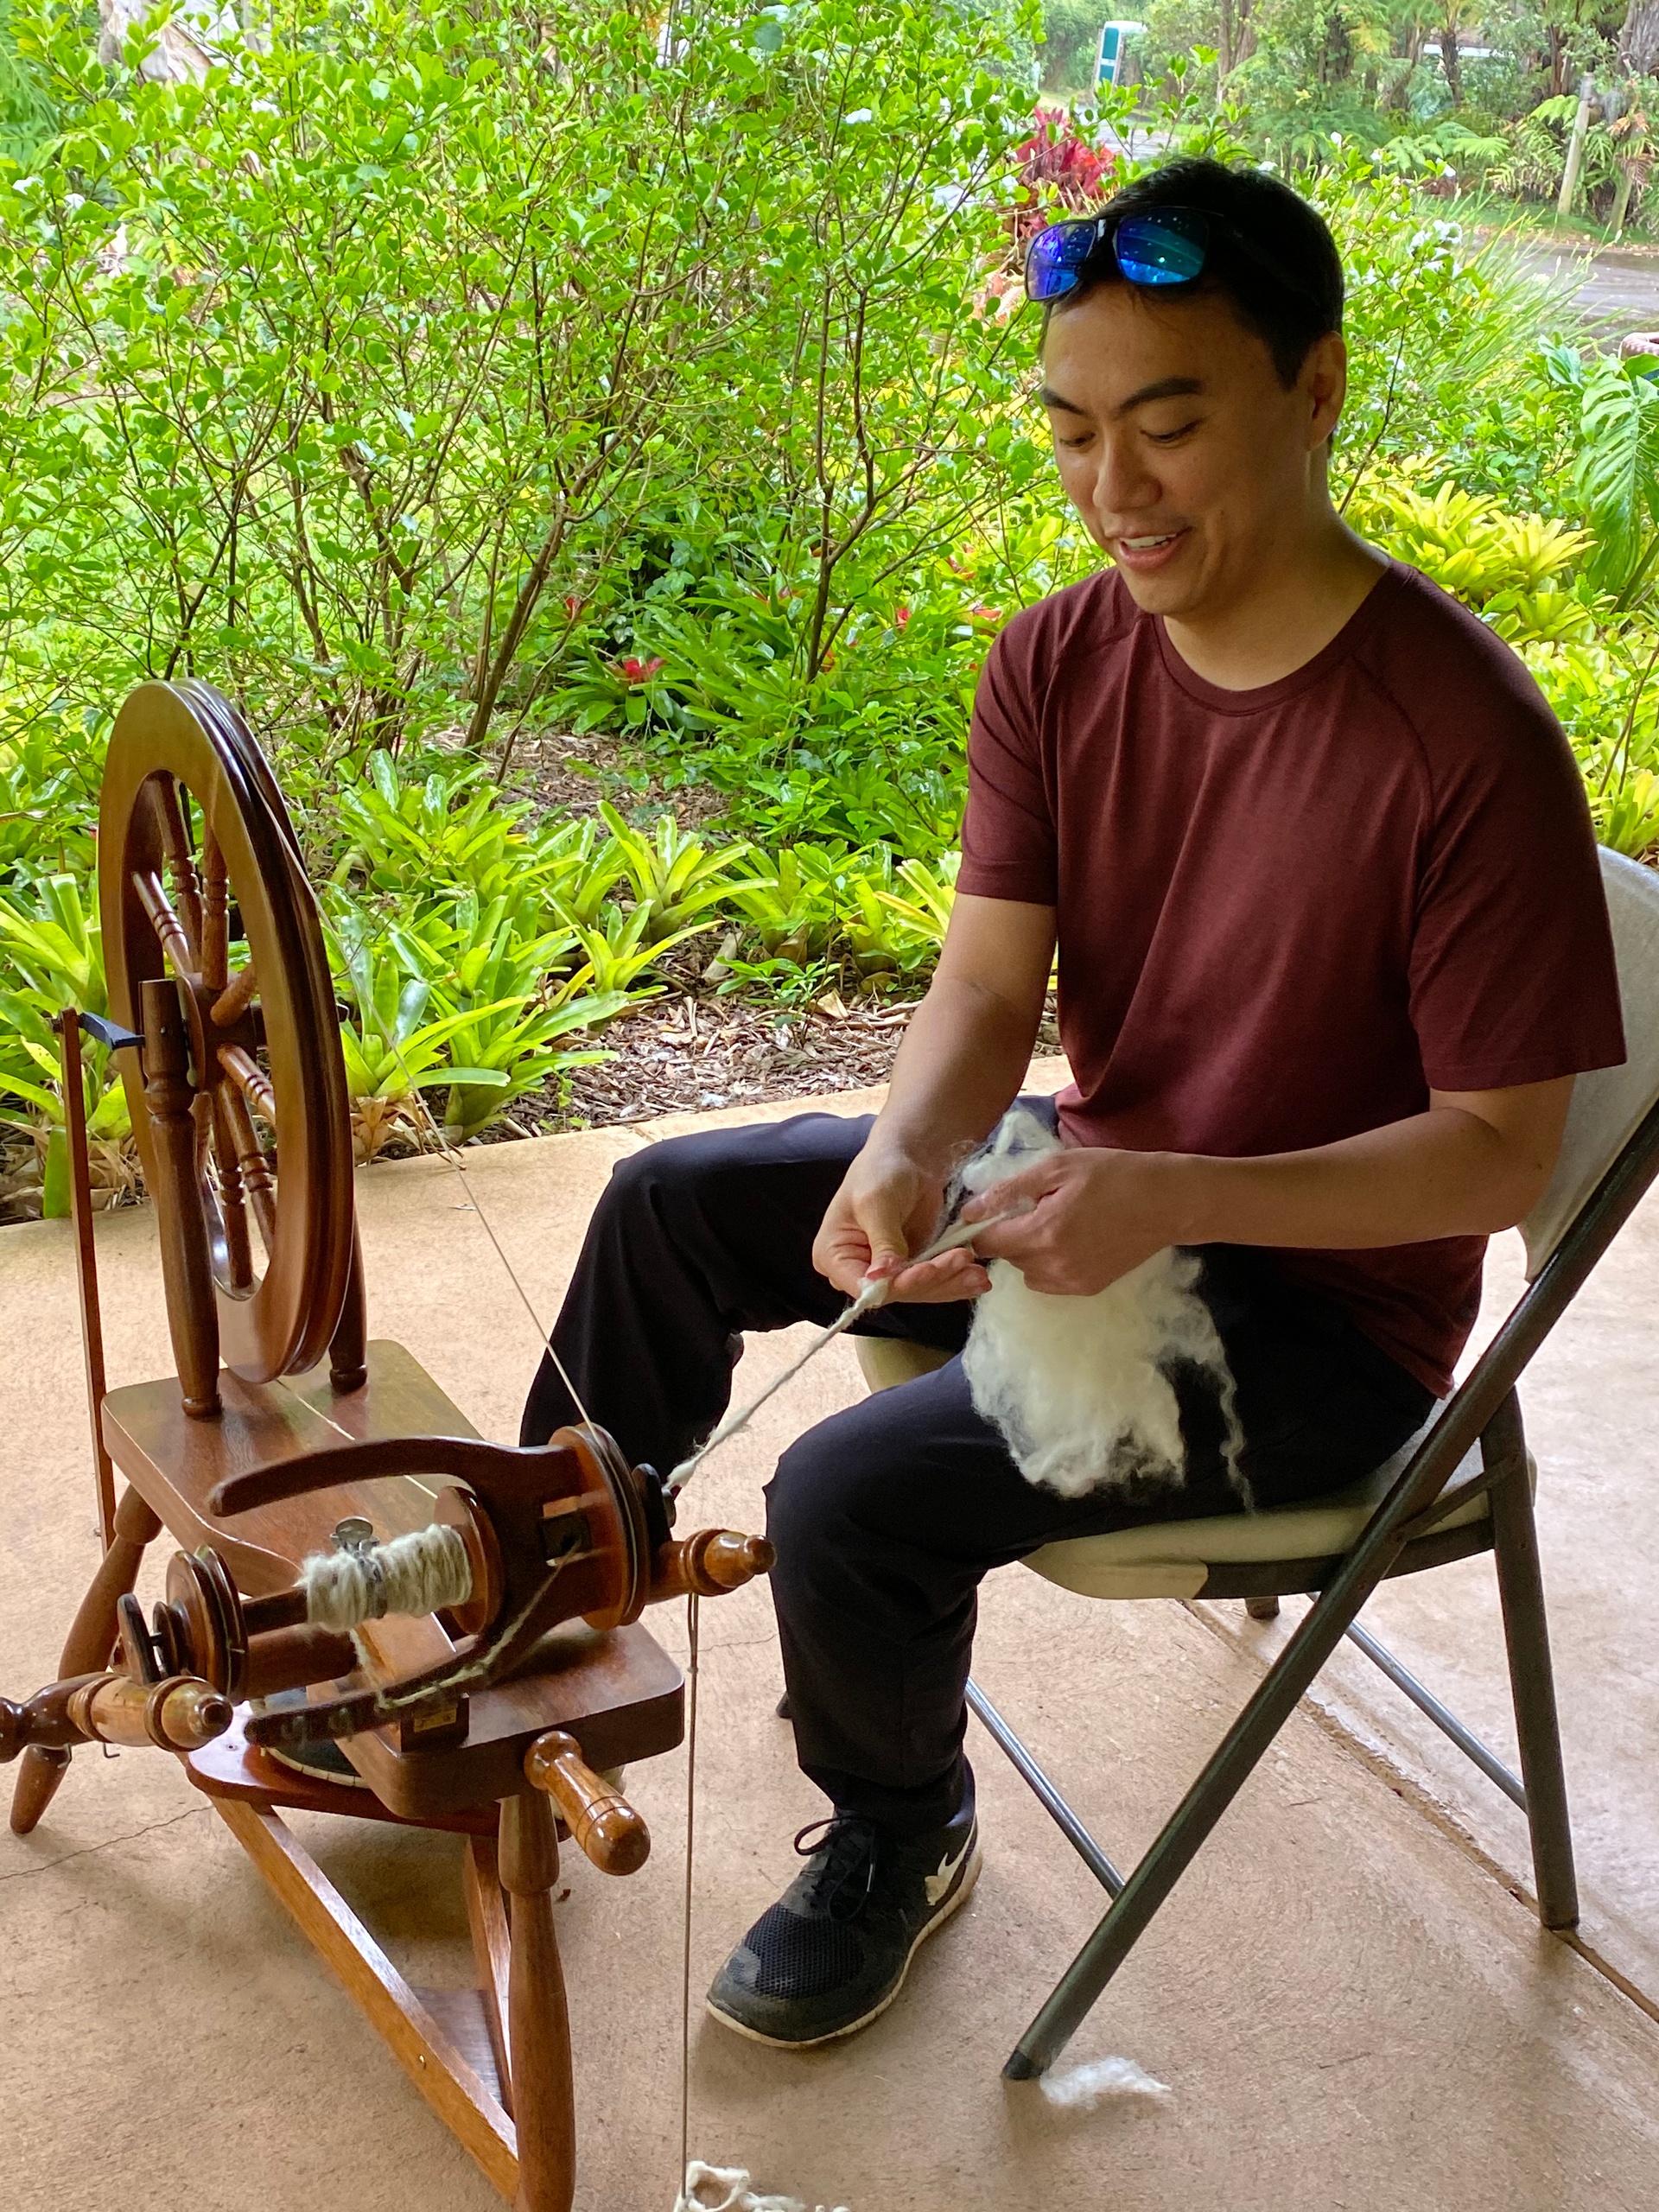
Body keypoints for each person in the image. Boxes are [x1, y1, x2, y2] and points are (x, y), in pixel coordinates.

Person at [521, 157, 1625, 2050]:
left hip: (1320, 1320)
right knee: (668, 1203)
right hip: (1099, 1184)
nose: (1115, 487)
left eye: (1169, 426)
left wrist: (1166, 1191)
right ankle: (539, 1597)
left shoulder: (1464, 743)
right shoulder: (1057, 659)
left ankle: (903, 1825)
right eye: (1072, 430)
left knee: (847, 1493)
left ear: (1317, 390)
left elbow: (1495, 1156)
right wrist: (908, 1148)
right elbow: (982, 988)